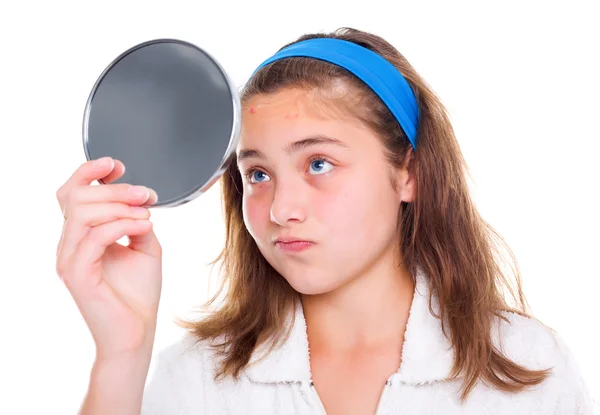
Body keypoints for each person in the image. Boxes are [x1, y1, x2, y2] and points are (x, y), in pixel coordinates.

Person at [55, 27, 594, 414]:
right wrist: (121, 353)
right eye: (258, 174)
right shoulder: (197, 380)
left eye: (319, 163)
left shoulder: (526, 369)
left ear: (409, 173)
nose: (282, 208)